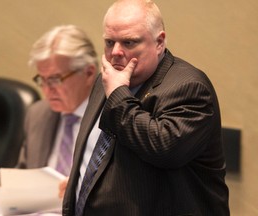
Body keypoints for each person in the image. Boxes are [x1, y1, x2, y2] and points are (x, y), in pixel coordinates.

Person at [62, 0, 230, 215]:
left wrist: (117, 95)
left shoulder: (190, 87)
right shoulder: (107, 80)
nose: (116, 52)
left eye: (129, 42)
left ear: (159, 42)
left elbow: (164, 149)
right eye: (109, 42)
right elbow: (95, 156)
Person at [0, 24, 98, 208]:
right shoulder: (39, 113)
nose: (47, 90)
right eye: (42, 80)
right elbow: (23, 178)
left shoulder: (112, 116)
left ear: (88, 73)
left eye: (55, 79)